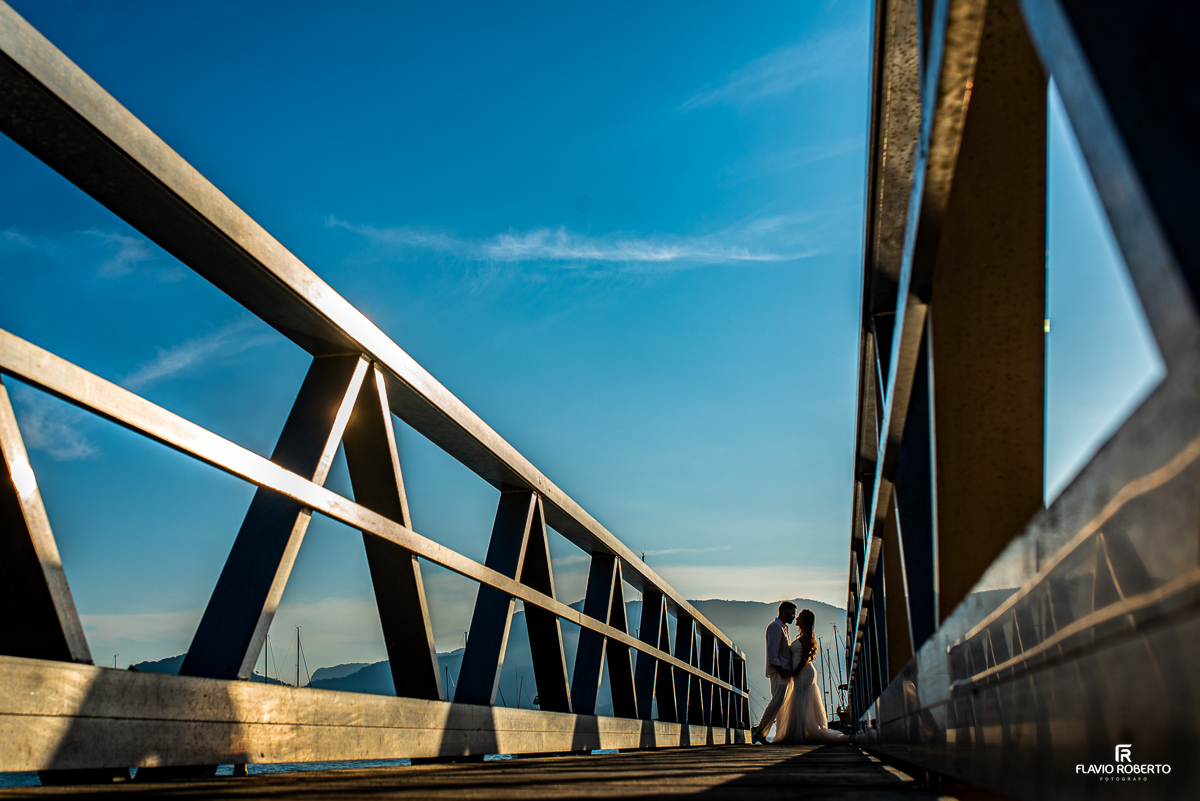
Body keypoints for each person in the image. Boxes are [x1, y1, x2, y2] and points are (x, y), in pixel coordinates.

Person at [773, 608, 850, 744]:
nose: (796, 618)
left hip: (804, 672)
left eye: (800, 617)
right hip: (800, 671)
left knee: (800, 698)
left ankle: (801, 733)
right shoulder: (802, 636)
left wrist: (795, 672)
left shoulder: (806, 637)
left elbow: (804, 658)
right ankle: (801, 731)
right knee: (801, 699)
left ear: (805, 621)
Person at [752, 601, 797, 744]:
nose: (793, 617)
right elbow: (772, 653)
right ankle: (760, 733)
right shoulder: (775, 627)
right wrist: (781, 669)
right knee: (777, 702)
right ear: (784, 611)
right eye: (792, 613)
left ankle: (778, 734)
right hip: (779, 671)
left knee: (780, 703)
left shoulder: (782, 628)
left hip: (784, 671)